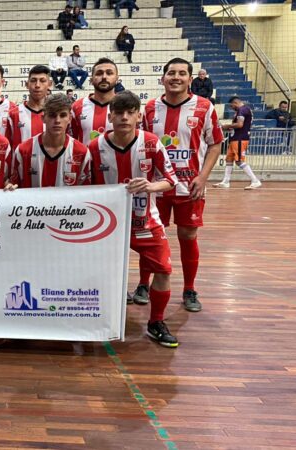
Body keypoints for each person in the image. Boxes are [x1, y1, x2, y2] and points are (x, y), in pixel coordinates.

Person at [88, 91, 179, 348]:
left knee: (163, 270)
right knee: (96, 275)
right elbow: (84, 185)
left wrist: (151, 186)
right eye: (119, 112)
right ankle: (97, 318)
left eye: (130, 112)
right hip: (106, 228)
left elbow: (171, 180)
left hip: (145, 223)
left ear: (139, 115)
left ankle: (156, 322)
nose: (125, 117)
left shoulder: (151, 142)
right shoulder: (95, 147)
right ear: (110, 115)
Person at [140, 57, 224, 313]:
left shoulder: (204, 107)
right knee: (150, 236)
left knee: (188, 235)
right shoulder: (151, 108)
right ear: (163, 78)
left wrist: (203, 176)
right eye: (171, 73)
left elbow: (215, 143)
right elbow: (142, 144)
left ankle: (189, 288)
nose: (176, 77)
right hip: (158, 187)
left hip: (191, 186)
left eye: (181, 73)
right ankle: (144, 284)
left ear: (190, 79)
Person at [7, 93, 91, 188]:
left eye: (62, 115)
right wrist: (11, 188)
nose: (57, 120)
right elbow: (15, 186)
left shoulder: (81, 152)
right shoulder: (24, 150)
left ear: (70, 119)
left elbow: (85, 192)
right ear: (43, 118)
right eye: (52, 115)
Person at [215, 96, 262, 190]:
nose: (232, 108)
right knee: (229, 159)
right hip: (235, 138)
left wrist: (225, 126)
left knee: (239, 160)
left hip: (240, 138)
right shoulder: (243, 110)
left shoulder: (242, 110)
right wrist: (230, 127)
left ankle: (255, 180)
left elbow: (240, 124)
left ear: (235, 103)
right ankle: (225, 181)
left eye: (232, 106)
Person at [70, 57, 118, 145]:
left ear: (117, 79)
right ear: (91, 80)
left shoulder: (126, 106)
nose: (104, 77)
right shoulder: (77, 107)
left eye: (109, 73)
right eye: (99, 74)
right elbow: (72, 141)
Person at [16, 65, 51, 143]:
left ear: (49, 84)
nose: (37, 85)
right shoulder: (13, 114)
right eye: (33, 80)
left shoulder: (58, 115)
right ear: (27, 85)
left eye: (42, 81)